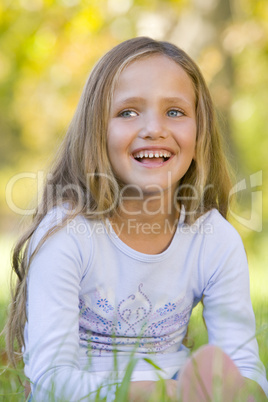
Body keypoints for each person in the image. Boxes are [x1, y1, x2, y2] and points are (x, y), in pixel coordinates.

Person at [5, 37, 268, 401]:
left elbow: (247, 367)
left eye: (174, 112)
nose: (154, 129)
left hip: (179, 388)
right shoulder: (67, 234)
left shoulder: (214, 239)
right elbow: (52, 380)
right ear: (96, 129)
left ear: (199, 129)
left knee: (216, 370)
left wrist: (232, 389)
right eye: (128, 112)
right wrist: (155, 392)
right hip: (87, 393)